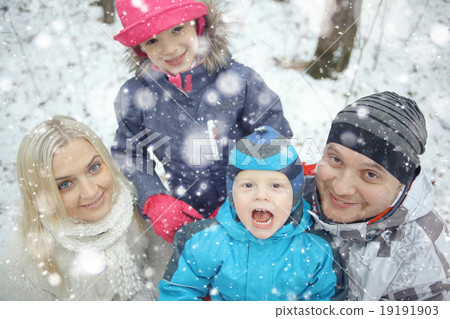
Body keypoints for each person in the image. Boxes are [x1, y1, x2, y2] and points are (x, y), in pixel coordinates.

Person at [111, 0, 293, 231]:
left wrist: (244, 195)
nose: (169, 49)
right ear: (140, 48)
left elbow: (273, 136)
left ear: (197, 24)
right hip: (186, 217)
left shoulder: (239, 81)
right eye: (153, 40)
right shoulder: (138, 96)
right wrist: (154, 199)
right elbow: (128, 152)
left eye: (177, 29)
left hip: (251, 216)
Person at [157, 126, 347, 300]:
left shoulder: (317, 249)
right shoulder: (204, 240)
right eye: (248, 185)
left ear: (295, 194)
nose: (261, 195)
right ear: (232, 193)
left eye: (276, 185)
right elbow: (179, 293)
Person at [0, 116, 171, 301]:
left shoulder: (133, 200)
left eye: (94, 168)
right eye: (65, 185)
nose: (90, 192)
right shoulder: (23, 268)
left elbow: (165, 264)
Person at [304, 91, 450, 301]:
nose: (341, 188)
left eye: (370, 174)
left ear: (402, 184)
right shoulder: (286, 191)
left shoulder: (424, 258)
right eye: (336, 159)